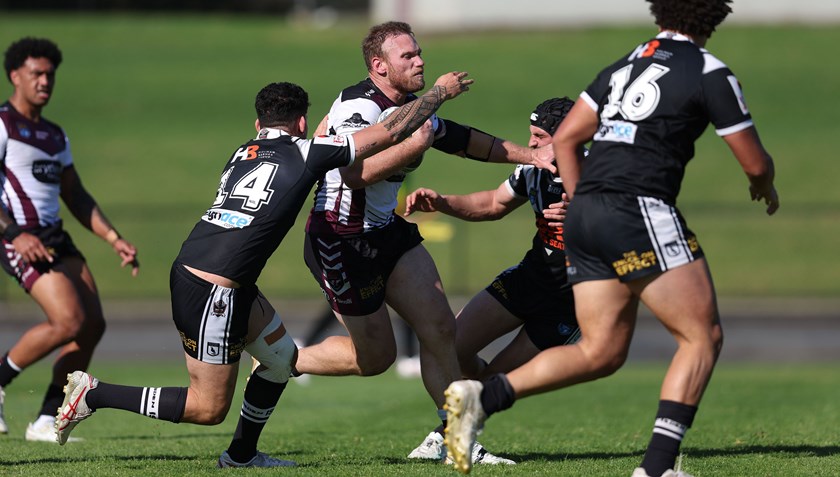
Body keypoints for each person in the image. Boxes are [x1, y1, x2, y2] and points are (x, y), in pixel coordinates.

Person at [55, 74, 471, 466]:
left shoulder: (243, 152)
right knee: (208, 407)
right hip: (212, 291)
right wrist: (438, 94)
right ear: (303, 122)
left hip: (216, 275)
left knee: (279, 360)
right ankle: (95, 394)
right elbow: (387, 133)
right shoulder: (308, 152)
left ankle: (241, 455)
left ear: (259, 123)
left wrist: (328, 124)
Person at [443, 1, 780, 476]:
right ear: (714, 17)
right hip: (639, 207)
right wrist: (764, 185)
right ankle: (659, 467)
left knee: (601, 352)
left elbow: (566, 139)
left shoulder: (624, 65)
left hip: (588, 219)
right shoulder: (709, 71)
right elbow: (755, 163)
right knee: (702, 337)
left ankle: (484, 396)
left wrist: (582, 205)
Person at [294, 21, 554, 466]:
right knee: (376, 358)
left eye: (419, 53)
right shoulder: (358, 105)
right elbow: (354, 175)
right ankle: (284, 357)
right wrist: (420, 131)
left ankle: (458, 438)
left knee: (440, 330)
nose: (420, 62)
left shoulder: (414, 108)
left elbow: (466, 140)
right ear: (379, 66)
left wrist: (532, 156)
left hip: (387, 233)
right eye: (407, 57)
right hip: (341, 241)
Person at [0, 37, 140, 442]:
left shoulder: (55, 135)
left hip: (54, 237)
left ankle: (45, 418)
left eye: (50, 74)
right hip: (17, 237)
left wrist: (114, 238)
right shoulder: (4, 124)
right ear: (15, 76)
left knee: (92, 324)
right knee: (68, 321)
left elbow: (76, 196)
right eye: (36, 73)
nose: (45, 81)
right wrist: (14, 233)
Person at [404, 97, 581, 381]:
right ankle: (474, 401)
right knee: (447, 348)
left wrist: (587, 216)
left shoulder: (601, 173)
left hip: (572, 299)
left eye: (540, 136)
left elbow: (634, 231)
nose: (531, 144)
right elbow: (493, 204)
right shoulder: (532, 169)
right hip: (529, 278)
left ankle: (474, 404)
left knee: (496, 384)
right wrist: (442, 202)